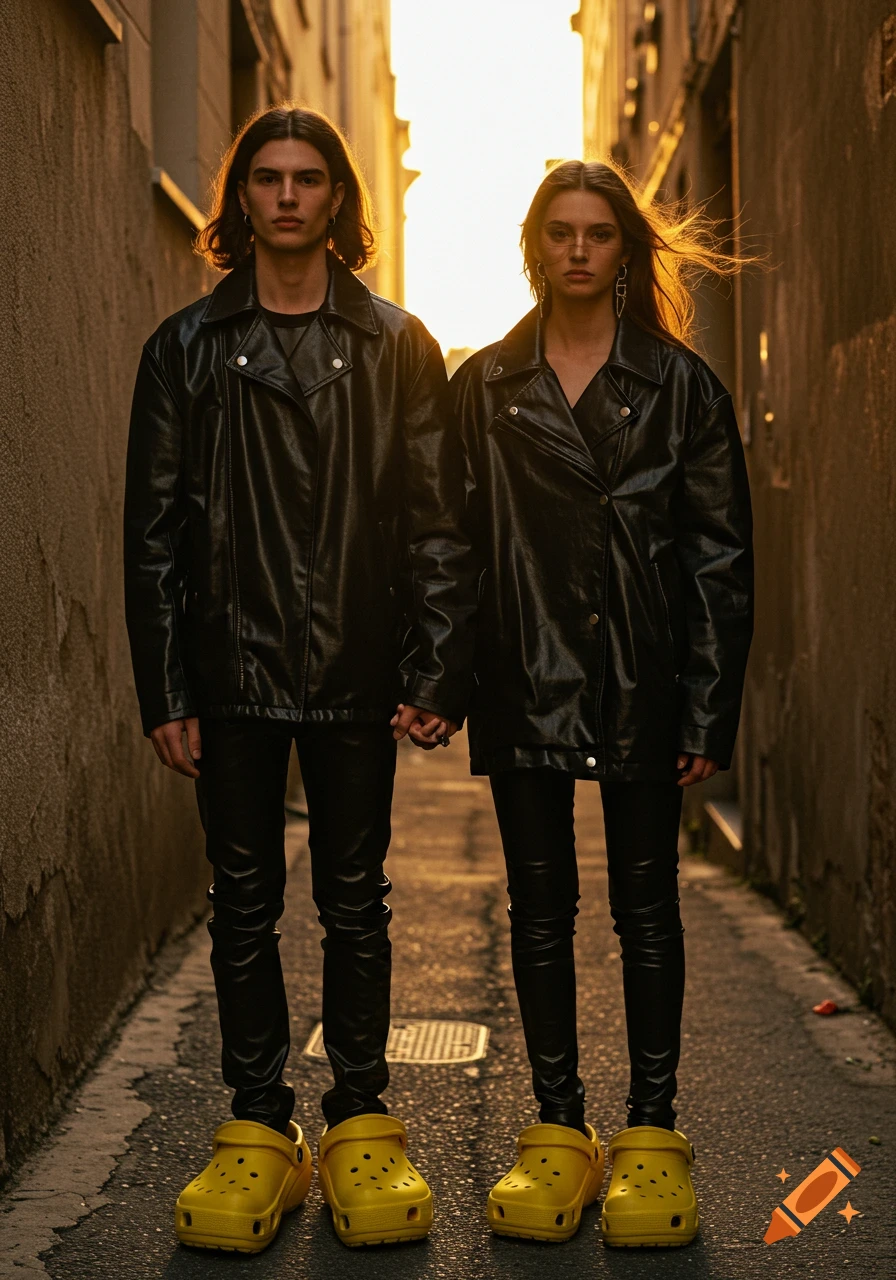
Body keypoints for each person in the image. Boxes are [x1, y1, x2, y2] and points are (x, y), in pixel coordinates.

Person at [123, 104, 476, 1252]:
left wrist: (432, 662)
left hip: (354, 668)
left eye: (307, 177)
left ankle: (362, 1115)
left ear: (337, 199)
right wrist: (167, 684)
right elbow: (155, 533)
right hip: (228, 668)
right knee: (239, 901)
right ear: (240, 200)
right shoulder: (182, 349)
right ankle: (257, 1125)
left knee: (356, 898)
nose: (285, 195)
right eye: (267, 177)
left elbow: (434, 519)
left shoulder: (396, 345)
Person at [451, 159, 754, 1248]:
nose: (578, 249)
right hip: (523, 670)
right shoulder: (483, 383)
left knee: (644, 908)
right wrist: (439, 678)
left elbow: (718, 555)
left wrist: (705, 709)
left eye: (598, 233)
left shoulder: (681, 386)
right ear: (534, 245)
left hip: (642, 676)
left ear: (625, 249)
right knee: (539, 910)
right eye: (560, 231)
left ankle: (650, 1134)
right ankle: (555, 1129)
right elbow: (451, 538)